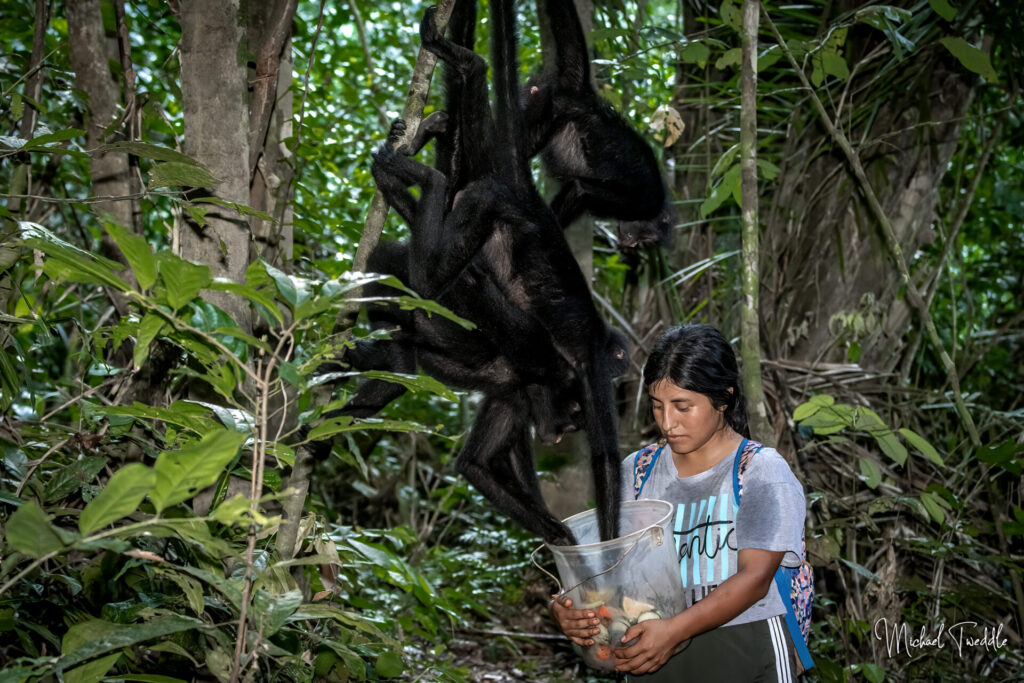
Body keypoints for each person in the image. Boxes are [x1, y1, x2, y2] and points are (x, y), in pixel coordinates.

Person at [551, 324, 807, 681]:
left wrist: (675, 631)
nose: (667, 422)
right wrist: (568, 606)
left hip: (746, 646)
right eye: (657, 406)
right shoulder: (637, 474)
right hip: (654, 651)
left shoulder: (760, 471)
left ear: (723, 398)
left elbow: (755, 579)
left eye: (682, 407)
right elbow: (606, 571)